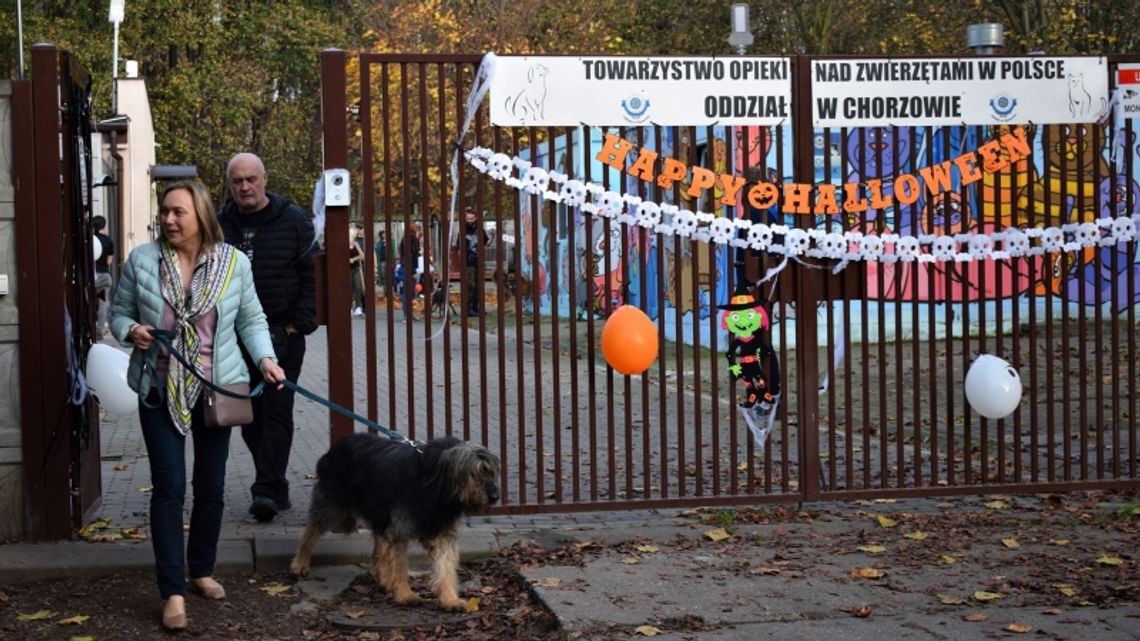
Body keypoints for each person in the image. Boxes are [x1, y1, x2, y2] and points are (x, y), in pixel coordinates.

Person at [110, 180, 286, 631]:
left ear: (201, 216)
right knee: (170, 488)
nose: (168, 219)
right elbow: (119, 313)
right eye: (165, 211)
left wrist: (266, 359)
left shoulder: (234, 264)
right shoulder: (143, 260)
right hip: (159, 385)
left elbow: (251, 318)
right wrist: (132, 331)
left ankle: (200, 569)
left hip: (216, 387)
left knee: (212, 485)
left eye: (178, 212)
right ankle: (172, 590)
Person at [217, 153, 316, 522]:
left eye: (251, 179)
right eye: (238, 181)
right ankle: (274, 485)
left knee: (277, 411)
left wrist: (300, 323)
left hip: (282, 334)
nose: (245, 186)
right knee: (248, 415)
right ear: (230, 185)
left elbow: (312, 274)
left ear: (264, 179)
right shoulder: (219, 224)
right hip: (233, 337)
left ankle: (266, 490)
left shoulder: (294, 221)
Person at [458, 207, 490, 316]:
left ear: (475, 218)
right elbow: (459, 245)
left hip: (478, 261)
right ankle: (468, 308)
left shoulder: (480, 230)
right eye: (468, 218)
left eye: (472, 218)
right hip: (468, 261)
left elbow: (486, 241)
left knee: (478, 285)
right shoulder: (463, 230)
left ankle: (476, 307)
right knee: (470, 285)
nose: (470, 220)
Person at [92, 215, 115, 337]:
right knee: (103, 302)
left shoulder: (90, 240)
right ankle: (100, 330)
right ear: (104, 226)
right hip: (103, 276)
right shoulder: (108, 241)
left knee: (89, 300)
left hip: (91, 275)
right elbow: (109, 261)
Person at [399, 222, 421, 321]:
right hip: (409, 267)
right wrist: (413, 271)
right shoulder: (413, 240)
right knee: (409, 292)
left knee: (407, 292)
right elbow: (411, 256)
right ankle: (407, 315)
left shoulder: (404, 240)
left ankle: (407, 314)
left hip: (405, 266)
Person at [349, 224, 365, 316]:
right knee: (349, 288)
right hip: (347, 269)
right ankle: (349, 307)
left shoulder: (356, 244)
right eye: (354, 235)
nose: (355, 236)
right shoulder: (344, 244)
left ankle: (358, 307)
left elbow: (362, 257)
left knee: (358, 287)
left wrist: (354, 259)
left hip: (356, 268)